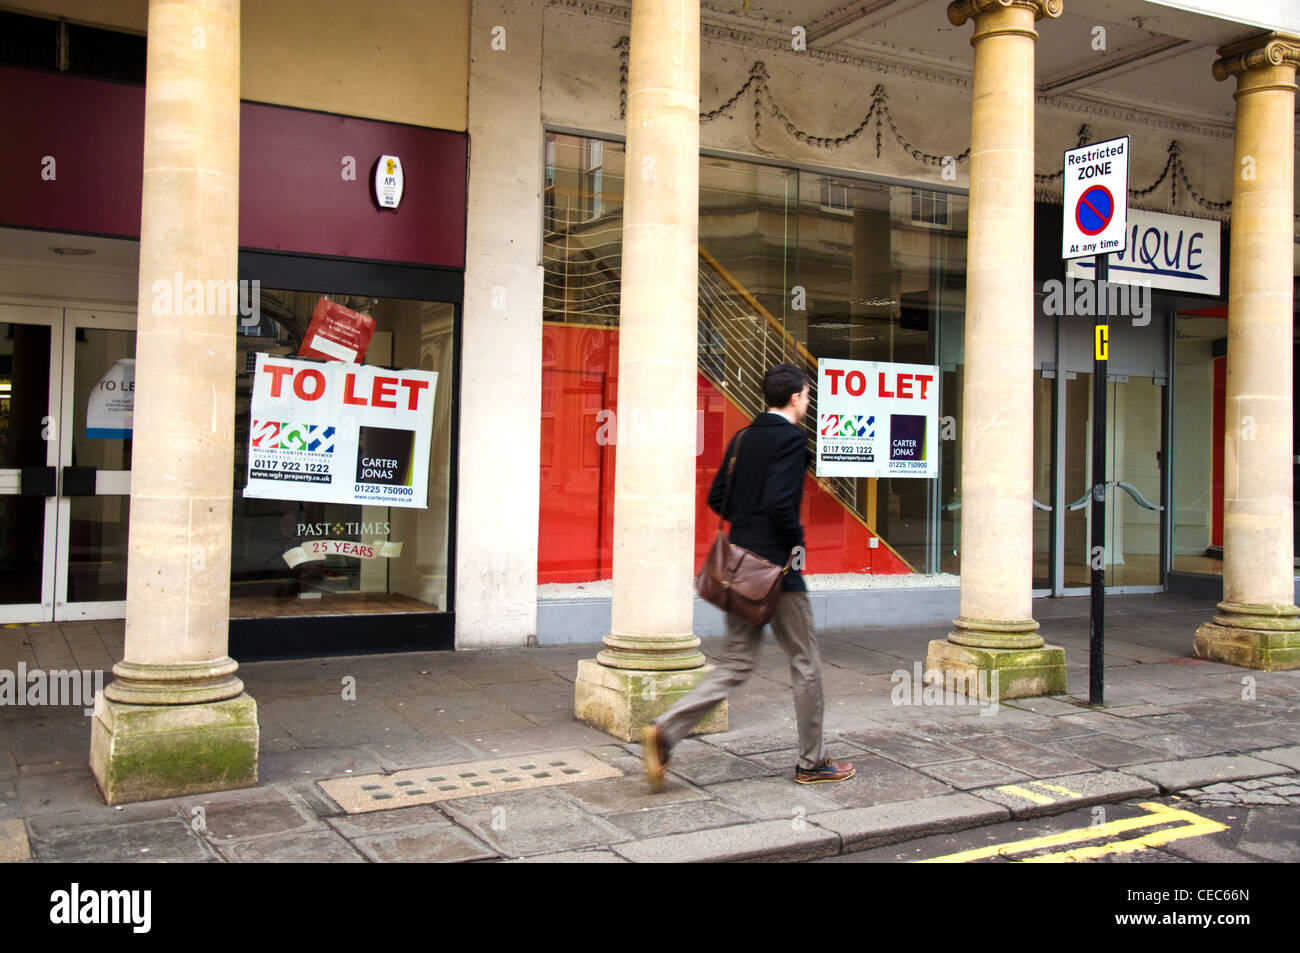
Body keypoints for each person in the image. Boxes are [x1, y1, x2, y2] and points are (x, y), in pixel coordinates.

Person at [642, 363, 854, 791]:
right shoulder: (792, 440)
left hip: (739, 568)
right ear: (795, 397)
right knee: (805, 664)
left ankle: (665, 731)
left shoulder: (744, 437)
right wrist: (795, 543)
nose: (808, 401)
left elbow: (717, 495)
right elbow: (781, 505)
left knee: (737, 663)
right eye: (808, 395)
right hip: (779, 570)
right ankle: (812, 763)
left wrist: (747, 530)